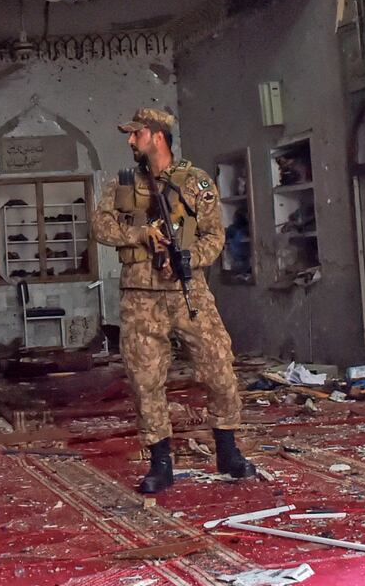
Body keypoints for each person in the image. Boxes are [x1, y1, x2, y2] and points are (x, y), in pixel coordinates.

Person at [91, 108, 255, 493]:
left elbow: (215, 236)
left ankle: (227, 449)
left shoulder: (196, 182)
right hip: (141, 297)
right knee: (145, 381)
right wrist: (140, 233)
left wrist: (189, 257)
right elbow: (99, 225)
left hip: (188, 291)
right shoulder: (124, 183)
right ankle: (160, 463)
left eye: (137, 134)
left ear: (157, 136)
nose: (131, 141)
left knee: (220, 371)